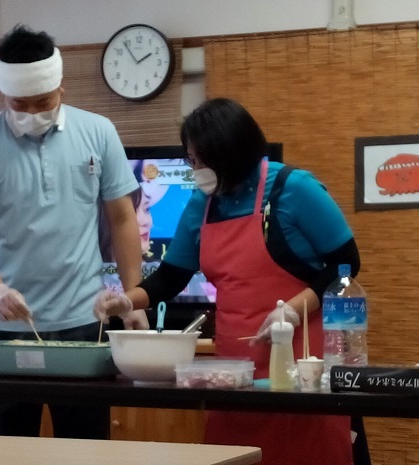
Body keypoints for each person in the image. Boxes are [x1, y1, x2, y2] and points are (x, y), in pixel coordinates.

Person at [94, 97, 365, 465]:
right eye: (192, 160)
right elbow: (171, 277)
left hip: (301, 358)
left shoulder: (293, 188)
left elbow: (345, 261)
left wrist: (294, 311)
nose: (197, 170)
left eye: (204, 161)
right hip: (233, 369)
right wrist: (127, 301)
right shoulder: (200, 203)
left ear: (234, 153)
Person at [0, 25, 145, 439]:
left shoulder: (99, 132)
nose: (32, 114)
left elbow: (123, 218)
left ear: (62, 87)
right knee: (6, 450)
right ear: (3, 95)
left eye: (43, 102)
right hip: (7, 331)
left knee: (86, 448)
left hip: (85, 322)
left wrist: (134, 297)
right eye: (19, 104)